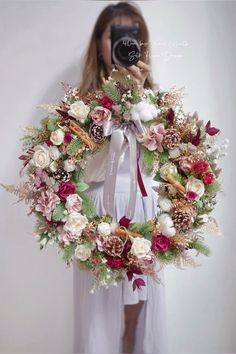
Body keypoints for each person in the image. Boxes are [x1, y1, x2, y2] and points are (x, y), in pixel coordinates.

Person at [73, 2, 169, 353]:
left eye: (132, 34)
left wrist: (139, 95)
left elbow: (162, 159)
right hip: (97, 212)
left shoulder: (156, 99)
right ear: (99, 42)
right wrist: (113, 95)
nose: (124, 42)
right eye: (115, 34)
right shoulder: (80, 102)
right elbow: (76, 161)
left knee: (135, 318)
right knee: (99, 314)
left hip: (143, 210)